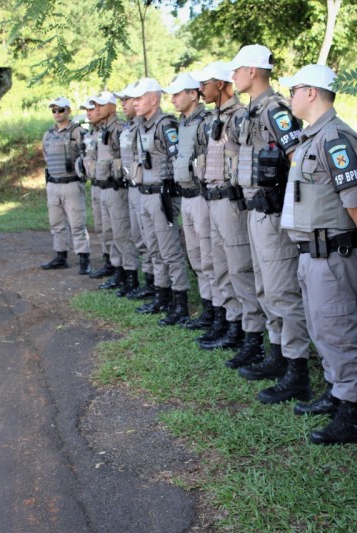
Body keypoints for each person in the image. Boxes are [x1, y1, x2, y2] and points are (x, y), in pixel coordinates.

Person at [277, 64, 357, 444]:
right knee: (321, 328)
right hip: (310, 252)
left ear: (312, 92)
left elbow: (356, 202)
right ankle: (335, 394)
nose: (290, 96)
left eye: (295, 89)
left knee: (339, 329)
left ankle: (350, 412)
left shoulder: (335, 137)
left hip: (333, 252)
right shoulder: (311, 138)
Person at [225, 44, 312, 404]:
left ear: (252, 72)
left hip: (273, 213)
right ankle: (277, 355)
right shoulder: (253, 111)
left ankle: (297, 371)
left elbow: (297, 157)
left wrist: (289, 205)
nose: (232, 77)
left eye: (237, 70)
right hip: (254, 209)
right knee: (265, 288)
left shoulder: (275, 108)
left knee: (282, 292)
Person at [191, 61, 267, 360]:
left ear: (220, 84)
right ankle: (231, 322)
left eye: (205, 84)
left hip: (232, 203)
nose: (201, 89)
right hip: (211, 199)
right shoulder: (214, 118)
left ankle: (252, 335)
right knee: (219, 266)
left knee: (240, 269)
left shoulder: (239, 117)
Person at [127, 78, 190, 322]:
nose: (135, 103)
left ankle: (180, 302)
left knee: (169, 250)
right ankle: (161, 296)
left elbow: (178, 159)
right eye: (134, 98)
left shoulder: (166, 125)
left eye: (140, 98)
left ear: (153, 99)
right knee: (153, 248)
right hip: (144, 193)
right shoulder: (142, 126)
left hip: (162, 195)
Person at [163, 72, 213, 326]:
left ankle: (219, 315)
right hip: (186, 197)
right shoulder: (181, 123)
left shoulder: (206, 121)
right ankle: (207, 311)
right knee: (195, 257)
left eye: (177, 94)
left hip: (203, 197)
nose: (172, 99)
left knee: (209, 258)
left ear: (193, 94)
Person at [92, 91, 139, 296]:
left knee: (121, 233)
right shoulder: (103, 129)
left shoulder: (119, 129)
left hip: (117, 187)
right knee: (109, 232)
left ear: (111, 108)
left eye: (102, 105)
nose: (98, 109)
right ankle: (118, 271)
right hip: (104, 186)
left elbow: (123, 159)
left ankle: (131, 276)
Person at [40, 96, 91, 274]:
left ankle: (84, 257)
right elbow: (46, 156)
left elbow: (87, 155)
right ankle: (60, 256)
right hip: (53, 184)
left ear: (68, 110)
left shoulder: (77, 132)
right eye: (53, 110)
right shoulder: (48, 134)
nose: (57, 113)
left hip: (71, 183)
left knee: (77, 223)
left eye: (60, 110)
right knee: (56, 223)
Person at [115, 83, 153, 299]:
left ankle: (156, 286)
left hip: (146, 188)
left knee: (150, 240)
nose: (126, 103)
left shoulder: (145, 126)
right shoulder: (130, 127)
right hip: (133, 186)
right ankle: (149, 282)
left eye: (128, 99)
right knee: (139, 238)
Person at [82, 98, 114, 279]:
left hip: (110, 185)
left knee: (112, 229)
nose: (90, 112)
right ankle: (108, 260)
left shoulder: (111, 130)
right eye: (87, 109)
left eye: (93, 109)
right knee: (101, 227)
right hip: (95, 184)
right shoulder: (92, 133)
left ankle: (117, 266)